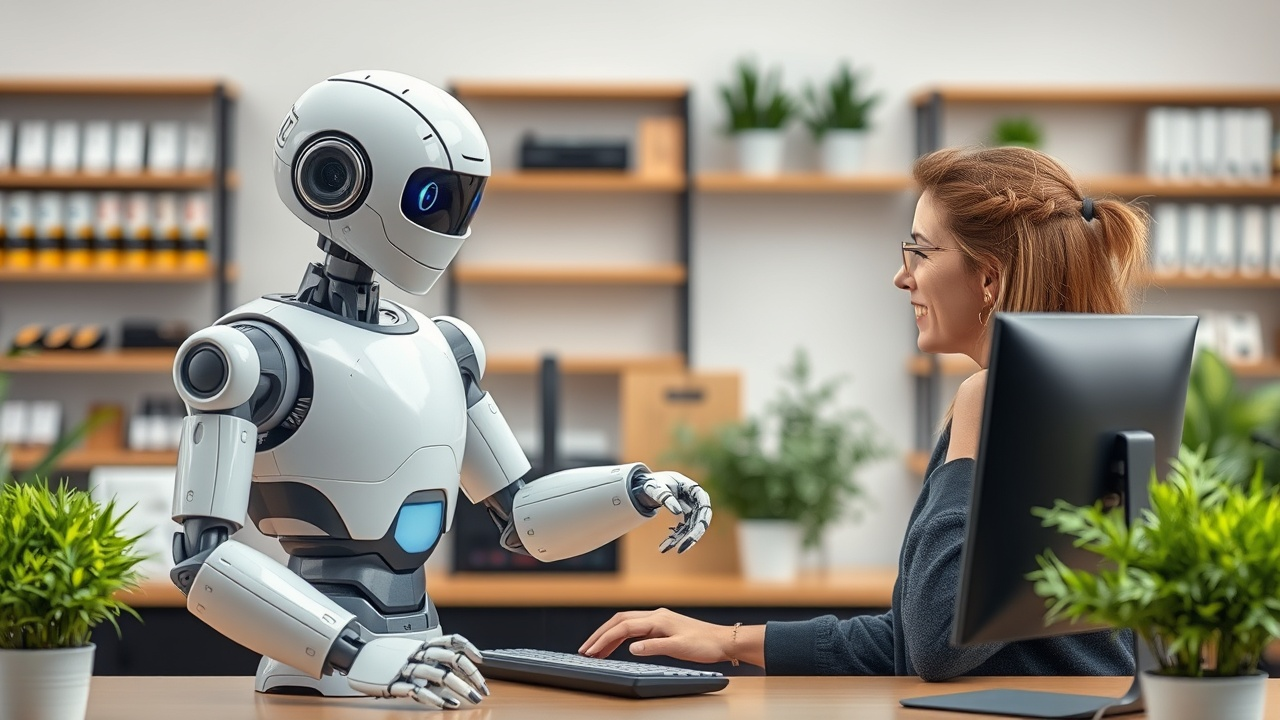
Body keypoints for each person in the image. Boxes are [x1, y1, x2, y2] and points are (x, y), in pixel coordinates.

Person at [578, 145, 1149, 681]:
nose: (902, 276)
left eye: (920, 251)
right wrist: (729, 641)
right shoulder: (1072, 405)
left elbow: (937, 647)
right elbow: (911, 639)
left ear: (989, 279)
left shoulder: (1005, 406)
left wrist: (975, 416)